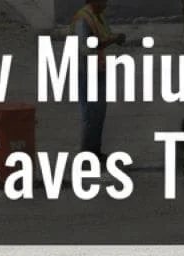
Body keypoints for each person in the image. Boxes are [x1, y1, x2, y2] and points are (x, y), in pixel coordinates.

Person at [72, 0, 127, 158]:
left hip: (97, 68)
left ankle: (95, 151)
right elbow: (86, 46)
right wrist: (112, 40)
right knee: (90, 113)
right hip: (86, 71)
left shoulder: (97, 16)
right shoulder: (83, 18)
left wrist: (114, 39)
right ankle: (86, 155)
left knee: (98, 113)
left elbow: (102, 39)